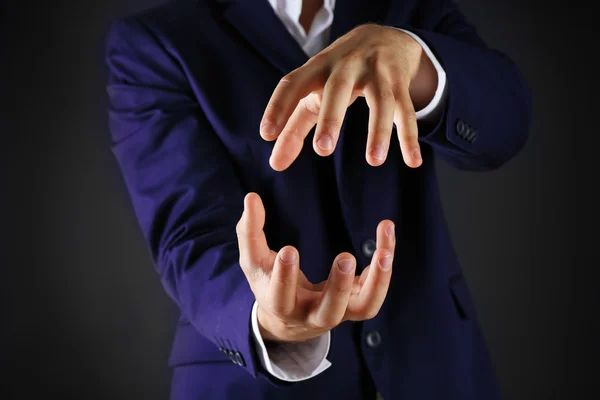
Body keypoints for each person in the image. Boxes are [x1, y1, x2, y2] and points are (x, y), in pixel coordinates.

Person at [104, 0, 531, 398]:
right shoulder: (155, 40)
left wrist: (414, 59)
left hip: (436, 367)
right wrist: (267, 316)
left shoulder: (408, 5)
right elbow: (186, 234)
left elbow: (506, 124)